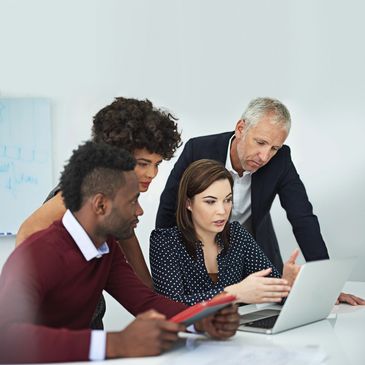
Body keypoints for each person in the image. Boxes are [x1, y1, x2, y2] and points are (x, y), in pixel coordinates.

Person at [0, 142, 239, 364]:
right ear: (101, 205)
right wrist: (117, 343)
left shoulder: (106, 248)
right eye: (132, 201)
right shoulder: (37, 255)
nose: (140, 210)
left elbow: (145, 301)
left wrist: (201, 321)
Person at [155, 97, 364, 306]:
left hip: (246, 249)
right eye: (261, 142)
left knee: (259, 309)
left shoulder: (280, 161)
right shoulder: (199, 149)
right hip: (196, 252)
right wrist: (168, 259)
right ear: (240, 128)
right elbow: (170, 205)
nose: (264, 156)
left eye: (274, 148)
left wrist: (325, 284)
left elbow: (303, 218)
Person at [15, 97, 183, 328]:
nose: (152, 173)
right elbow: (27, 234)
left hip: (89, 323)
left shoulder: (117, 198)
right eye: (143, 164)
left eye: (157, 164)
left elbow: (137, 273)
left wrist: (158, 304)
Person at [151, 159, 300, 305]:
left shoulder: (237, 235)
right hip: (190, 330)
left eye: (227, 200)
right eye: (210, 201)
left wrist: (286, 285)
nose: (222, 211)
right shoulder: (165, 242)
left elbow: (271, 292)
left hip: (238, 327)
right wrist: (232, 294)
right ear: (188, 203)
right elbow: (171, 305)